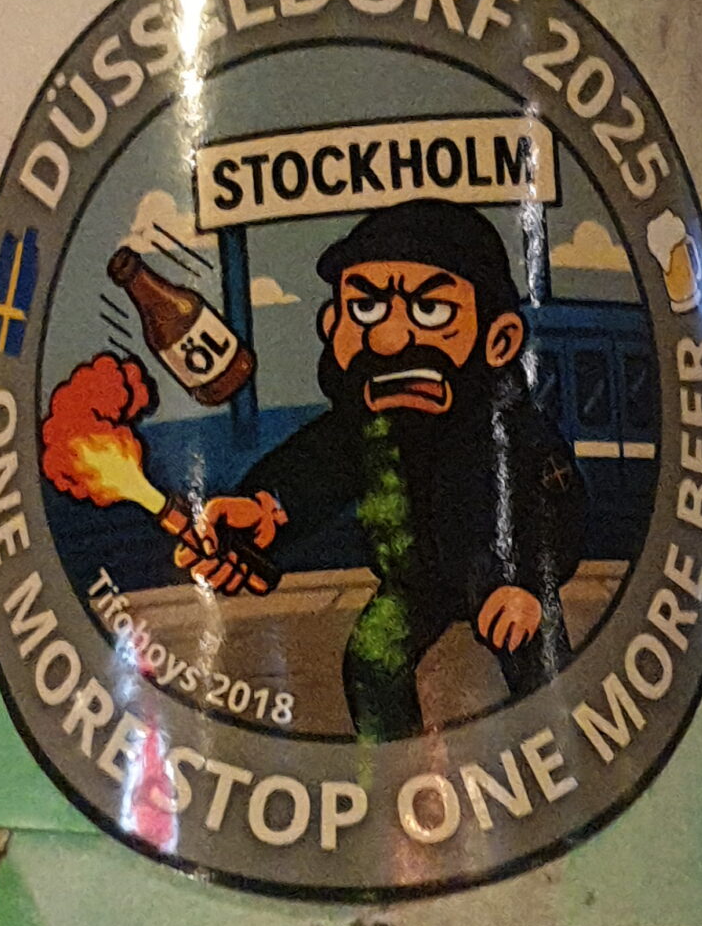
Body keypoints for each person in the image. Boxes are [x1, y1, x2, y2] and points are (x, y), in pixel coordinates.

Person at [178, 199, 586, 740]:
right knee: (373, 658)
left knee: (542, 667)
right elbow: (319, 464)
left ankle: (566, 743)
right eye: (366, 308)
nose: (390, 340)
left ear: (499, 340)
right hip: (415, 581)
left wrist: (528, 582)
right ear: (332, 325)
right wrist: (267, 507)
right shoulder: (367, 423)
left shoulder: (512, 430)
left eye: (431, 310)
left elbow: (557, 504)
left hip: (506, 580)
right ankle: (397, 763)